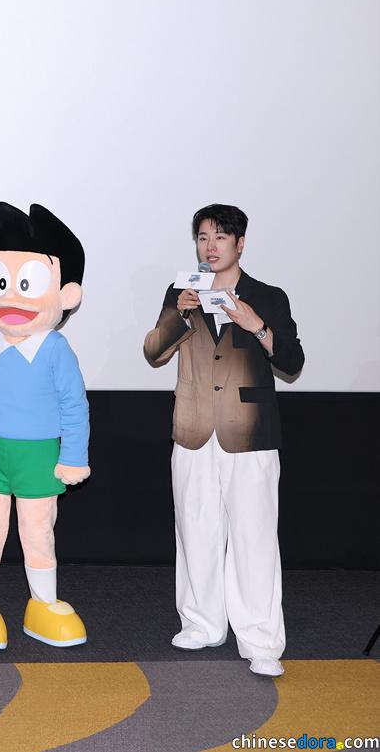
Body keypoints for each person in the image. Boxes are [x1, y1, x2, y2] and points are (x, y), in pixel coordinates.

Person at [144, 203, 304, 677]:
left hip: (249, 432)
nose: (210, 247)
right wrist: (178, 314)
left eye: (219, 237)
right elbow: (154, 351)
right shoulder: (182, 292)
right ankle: (202, 623)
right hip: (193, 428)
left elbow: (292, 362)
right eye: (202, 238)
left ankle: (260, 639)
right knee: (195, 529)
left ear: (240, 243)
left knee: (254, 536)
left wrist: (256, 325)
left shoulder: (268, 296)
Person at [0, 202, 90, 651]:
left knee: (37, 531)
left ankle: (43, 604)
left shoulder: (55, 348)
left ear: (66, 294)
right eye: (1, 282)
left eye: (26, 284)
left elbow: (74, 406)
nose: (11, 297)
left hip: (39, 455)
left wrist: (74, 457)